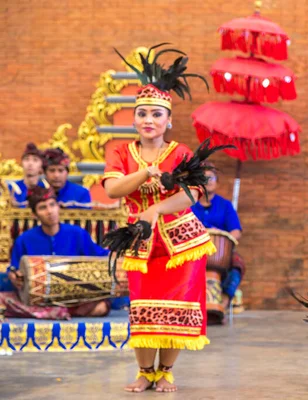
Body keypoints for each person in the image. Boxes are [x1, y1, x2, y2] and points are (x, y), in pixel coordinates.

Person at [103, 44, 216, 393]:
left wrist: (155, 209)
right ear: (134, 119)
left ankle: (165, 371)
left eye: (155, 114)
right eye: (142, 114)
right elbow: (113, 190)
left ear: (168, 120)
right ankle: (144, 371)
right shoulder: (121, 151)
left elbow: (192, 194)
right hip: (140, 242)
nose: (148, 120)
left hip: (182, 244)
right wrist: (145, 174)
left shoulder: (181, 153)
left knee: (175, 309)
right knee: (142, 307)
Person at [2, 187, 111, 319]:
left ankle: (53, 313)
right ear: (34, 214)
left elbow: (101, 255)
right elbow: (13, 268)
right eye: (43, 208)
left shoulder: (77, 234)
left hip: (73, 298)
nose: (50, 211)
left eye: (52, 205)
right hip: (39, 299)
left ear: (58, 207)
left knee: (101, 307)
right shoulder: (24, 239)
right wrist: (15, 276)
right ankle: (54, 312)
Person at [190, 165, 245, 318]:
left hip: (219, 253)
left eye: (211, 178)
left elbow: (236, 231)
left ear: (217, 182)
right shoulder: (188, 204)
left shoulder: (225, 205)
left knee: (237, 264)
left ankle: (224, 301)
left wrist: (225, 237)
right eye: (204, 178)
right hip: (193, 251)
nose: (208, 181)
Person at [8, 143, 48, 207]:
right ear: (21, 164)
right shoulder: (11, 188)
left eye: (35, 160)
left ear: (41, 165)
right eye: (26, 159)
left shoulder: (46, 187)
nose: (30, 163)